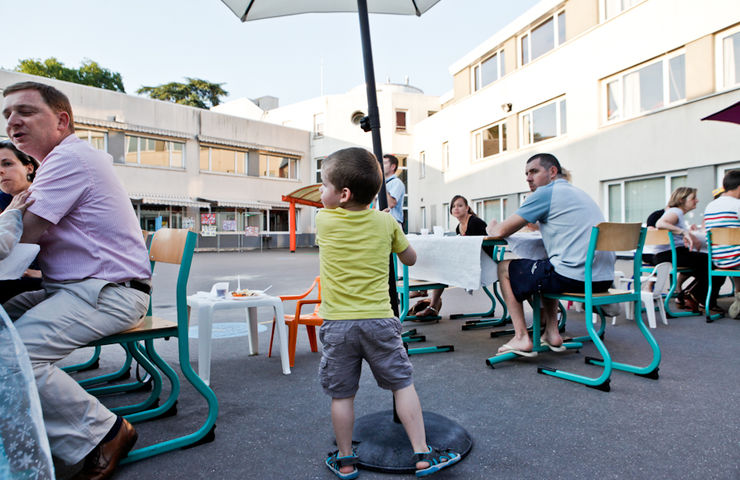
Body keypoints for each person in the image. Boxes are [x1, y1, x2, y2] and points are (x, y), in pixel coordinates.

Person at [2, 81, 152, 480]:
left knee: (13, 357)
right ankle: (32, 423)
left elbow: (22, 234)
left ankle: (106, 431)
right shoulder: (59, 162)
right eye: (7, 116)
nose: (13, 121)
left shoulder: (69, 158)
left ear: (62, 120)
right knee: (3, 328)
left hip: (109, 292)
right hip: (82, 289)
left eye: (25, 111)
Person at [316, 147, 460, 478]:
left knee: (342, 395)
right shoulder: (385, 222)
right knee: (402, 384)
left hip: (338, 325)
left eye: (324, 185)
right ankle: (423, 454)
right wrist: (393, 236)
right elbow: (410, 259)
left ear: (343, 194)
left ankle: (346, 458)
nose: (321, 192)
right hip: (380, 321)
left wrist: (332, 194)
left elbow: (326, 203)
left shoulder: (323, 221)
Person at [487, 153, 615, 356]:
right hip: (603, 279)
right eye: (526, 174)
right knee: (546, 264)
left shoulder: (546, 193)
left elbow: (501, 231)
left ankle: (521, 337)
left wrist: (492, 226)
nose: (528, 178)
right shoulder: (578, 193)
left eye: (534, 171)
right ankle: (552, 333)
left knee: (504, 267)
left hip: (575, 277)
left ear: (552, 171)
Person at [412, 195, 491, 319]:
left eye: (460, 205)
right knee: (439, 263)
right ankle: (429, 301)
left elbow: (483, 245)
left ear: (467, 208)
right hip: (470, 259)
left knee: (442, 265)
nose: (456, 208)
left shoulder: (475, 222)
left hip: (483, 261)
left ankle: (428, 299)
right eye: (453, 206)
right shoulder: (458, 227)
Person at [656, 187, 722, 314]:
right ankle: (697, 298)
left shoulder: (675, 212)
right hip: (671, 254)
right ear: (681, 200)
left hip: (666, 254)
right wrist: (684, 232)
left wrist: (687, 234)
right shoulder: (676, 211)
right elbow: (660, 224)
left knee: (705, 266)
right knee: (714, 266)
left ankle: (690, 297)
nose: (697, 201)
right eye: (693, 198)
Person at [0, 140, 42, 303]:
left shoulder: (46, 198)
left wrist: (42, 274)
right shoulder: (2, 200)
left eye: (7, 164)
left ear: (29, 167)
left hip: (45, 280)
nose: (1, 171)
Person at [704, 170, 740, 318]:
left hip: (718, 258)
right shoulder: (737, 205)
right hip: (736, 258)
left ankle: (738, 300)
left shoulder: (710, 206)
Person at [382, 154, 405, 226]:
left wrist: (381, 185)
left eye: (385, 163)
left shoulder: (396, 183)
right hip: (382, 223)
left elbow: (391, 203)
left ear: (393, 167)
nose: (381, 166)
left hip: (392, 223)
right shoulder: (383, 183)